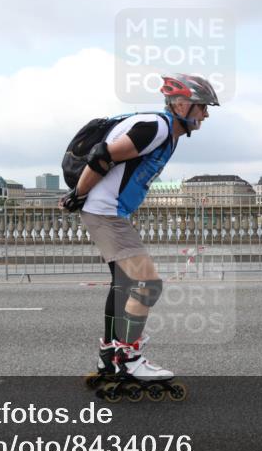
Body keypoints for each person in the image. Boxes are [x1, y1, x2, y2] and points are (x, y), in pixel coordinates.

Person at [61, 73, 219, 400]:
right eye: (202, 107)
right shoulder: (157, 128)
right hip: (105, 211)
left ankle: (109, 357)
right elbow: (102, 156)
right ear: (181, 104)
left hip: (109, 211)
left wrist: (80, 196)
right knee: (148, 284)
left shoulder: (164, 130)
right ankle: (127, 358)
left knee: (124, 286)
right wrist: (78, 194)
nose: (205, 115)